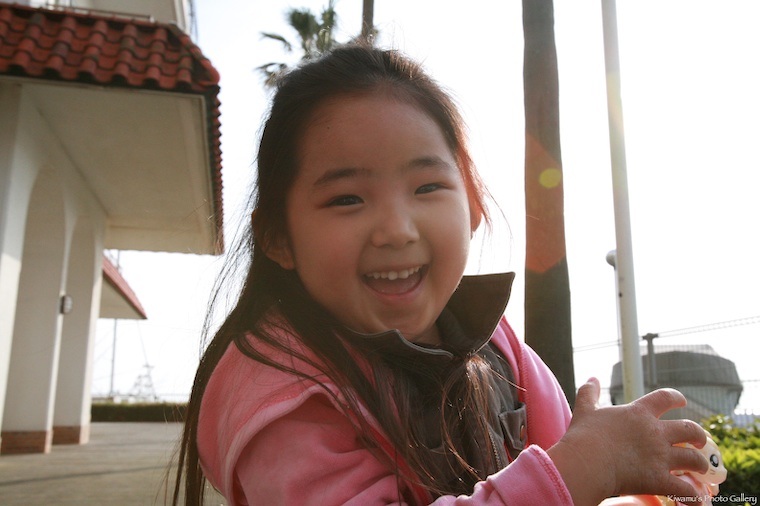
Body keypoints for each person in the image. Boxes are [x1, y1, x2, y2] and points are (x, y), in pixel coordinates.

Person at [173, 44, 708, 506]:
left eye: (427, 187)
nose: (396, 229)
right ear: (277, 236)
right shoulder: (282, 396)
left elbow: (569, 456)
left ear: (472, 206)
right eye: (346, 198)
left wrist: (621, 466)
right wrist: (584, 467)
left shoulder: (499, 347)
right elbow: (571, 471)